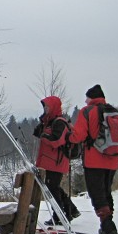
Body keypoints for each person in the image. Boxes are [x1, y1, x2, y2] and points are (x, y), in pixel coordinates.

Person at [69, 84, 118, 234]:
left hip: (93, 160)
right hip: (112, 161)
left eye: (87, 97)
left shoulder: (87, 111)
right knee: (106, 192)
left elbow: (78, 135)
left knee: (97, 194)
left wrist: (70, 137)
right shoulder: (114, 112)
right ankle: (106, 224)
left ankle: (108, 226)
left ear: (91, 98)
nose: (85, 100)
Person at [33, 96, 79, 225]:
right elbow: (36, 132)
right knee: (53, 187)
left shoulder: (59, 122)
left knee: (52, 188)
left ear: (53, 107)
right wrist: (43, 122)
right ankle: (69, 210)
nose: (45, 109)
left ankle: (60, 215)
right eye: (44, 107)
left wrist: (44, 135)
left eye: (47, 107)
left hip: (57, 161)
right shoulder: (49, 121)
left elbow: (56, 140)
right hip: (51, 161)